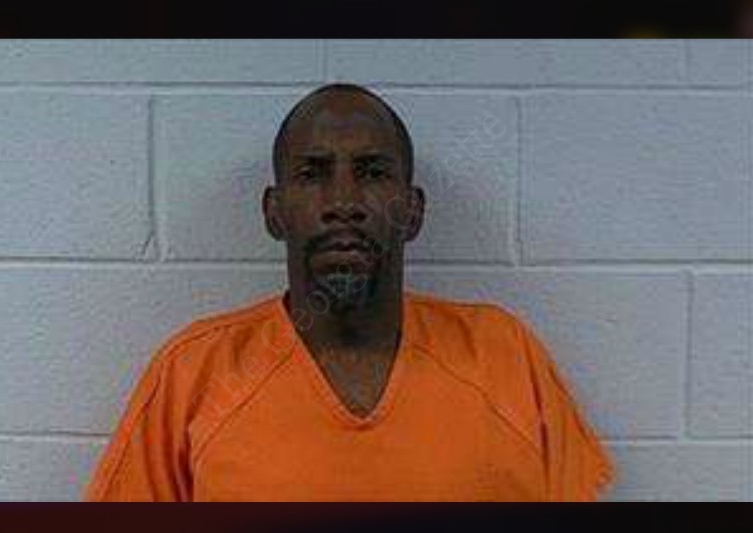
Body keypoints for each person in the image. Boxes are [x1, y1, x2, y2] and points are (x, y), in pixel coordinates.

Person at [84, 83, 614, 501]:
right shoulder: (193, 374)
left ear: (413, 210)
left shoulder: (505, 355)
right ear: (274, 212)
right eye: (313, 174)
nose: (344, 202)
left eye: (372, 172)